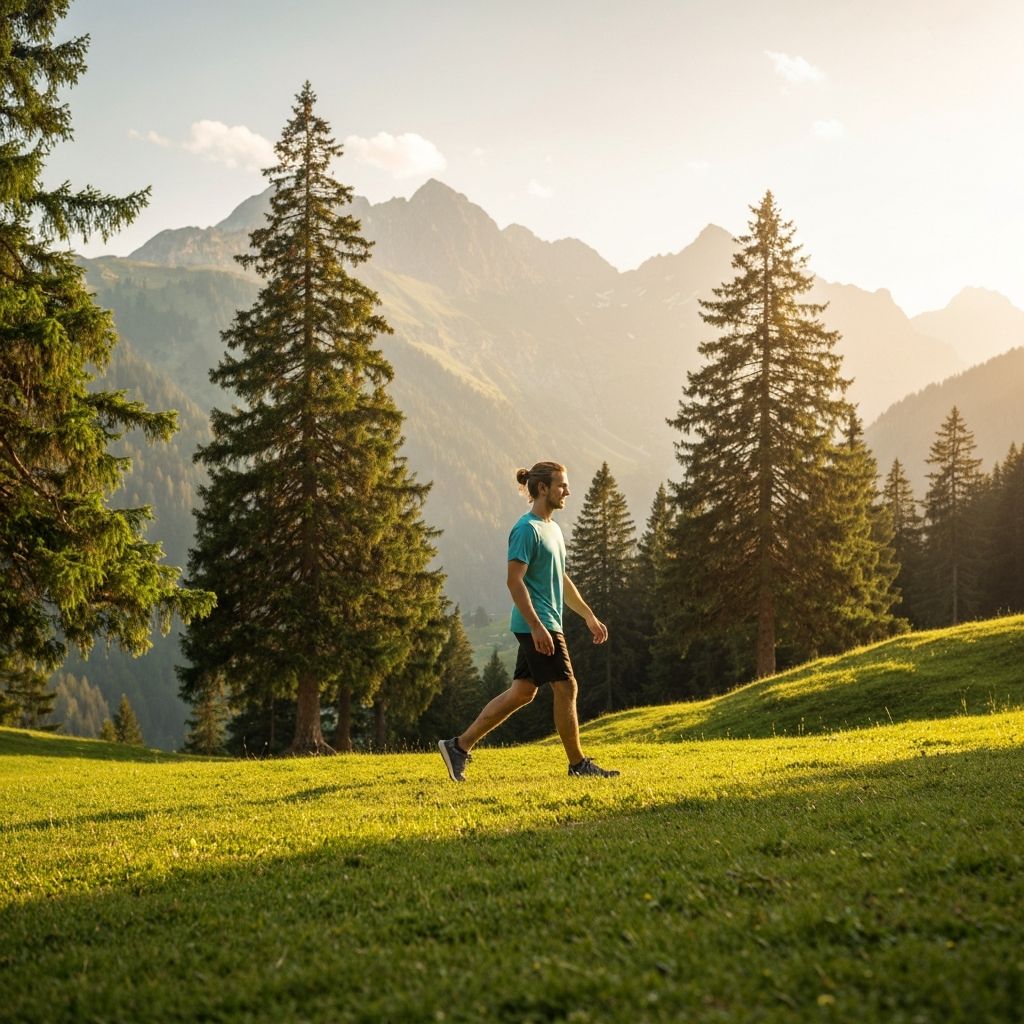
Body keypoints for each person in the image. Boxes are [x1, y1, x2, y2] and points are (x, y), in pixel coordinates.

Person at [439, 461, 620, 781]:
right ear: (542, 488)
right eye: (561, 485)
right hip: (538, 624)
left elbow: (560, 579)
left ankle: (458, 747)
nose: (568, 491)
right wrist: (536, 625)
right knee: (567, 687)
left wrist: (589, 616)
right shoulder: (526, 529)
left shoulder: (552, 529)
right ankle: (578, 765)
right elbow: (514, 581)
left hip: (547, 622)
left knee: (523, 692)